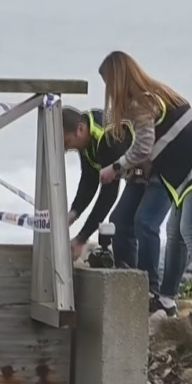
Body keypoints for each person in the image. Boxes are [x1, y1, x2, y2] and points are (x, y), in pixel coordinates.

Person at [95, 50, 192, 328]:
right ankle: (166, 300)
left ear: (118, 79)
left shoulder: (140, 104)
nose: (109, 91)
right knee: (175, 232)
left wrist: (115, 167)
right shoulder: (157, 93)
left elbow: (144, 146)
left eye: (108, 83)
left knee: (190, 231)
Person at [62, 105, 142, 266]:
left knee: (135, 223)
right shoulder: (86, 137)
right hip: (135, 174)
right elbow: (89, 179)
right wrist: (74, 212)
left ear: (80, 129)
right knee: (120, 221)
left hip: (150, 171)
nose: (68, 149)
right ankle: (126, 271)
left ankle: (140, 280)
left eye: (68, 143)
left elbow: (108, 195)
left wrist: (81, 239)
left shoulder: (107, 138)